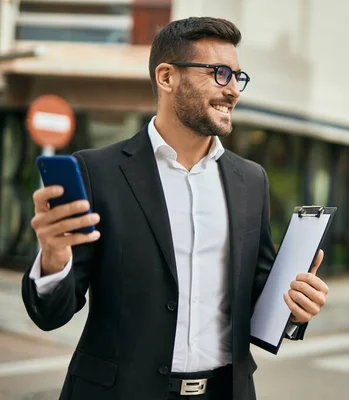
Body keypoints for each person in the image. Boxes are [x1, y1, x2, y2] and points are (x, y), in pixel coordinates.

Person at [21, 16, 329, 400]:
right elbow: (51, 314)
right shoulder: (98, 171)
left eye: (238, 76)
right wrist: (52, 256)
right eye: (219, 73)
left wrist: (295, 309)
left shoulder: (251, 180)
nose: (233, 90)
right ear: (167, 77)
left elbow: (257, 296)